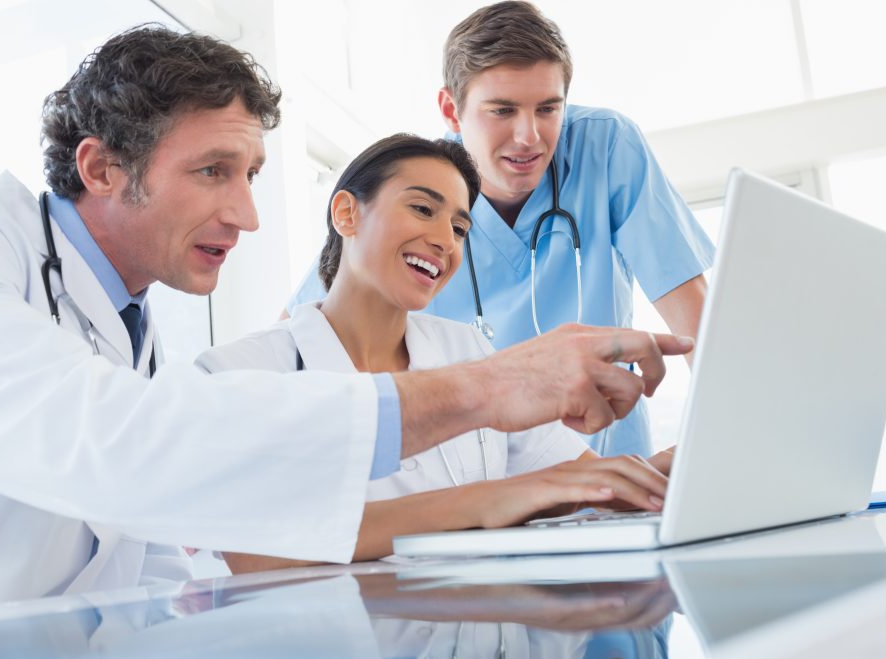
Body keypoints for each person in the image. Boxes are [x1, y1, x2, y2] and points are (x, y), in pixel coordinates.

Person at [0, 27, 693, 613]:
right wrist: (492, 390)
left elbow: (154, 568)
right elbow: (114, 439)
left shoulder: (126, 326)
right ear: (101, 167)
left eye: (249, 174)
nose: (247, 215)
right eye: (214, 171)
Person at [197, 134, 672, 573]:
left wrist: (694, 464)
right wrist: (486, 502)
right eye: (423, 209)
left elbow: (587, 483)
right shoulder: (239, 372)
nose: (446, 241)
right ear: (346, 214)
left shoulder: (466, 349)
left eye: (461, 228)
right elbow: (253, 549)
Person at [288, 1, 715, 459]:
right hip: (473, 473)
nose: (529, 136)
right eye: (503, 110)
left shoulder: (604, 147)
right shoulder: (419, 185)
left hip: (607, 462)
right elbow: (305, 332)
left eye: (549, 108)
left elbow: (700, 327)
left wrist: (726, 443)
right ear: (451, 110)